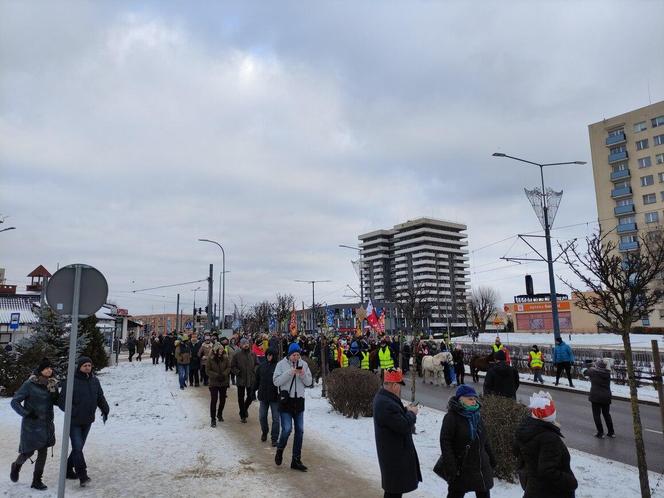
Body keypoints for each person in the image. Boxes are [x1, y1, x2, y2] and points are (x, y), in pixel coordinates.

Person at [513, 391, 578, 498]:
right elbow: (547, 470)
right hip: (551, 492)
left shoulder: (526, 430)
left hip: (533, 489)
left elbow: (518, 455)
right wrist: (570, 481)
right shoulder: (549, 438)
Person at [58, 356, 110, 488]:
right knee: (77, 447)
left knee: (78, 448)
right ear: (79, 367)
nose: (87, 367)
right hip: (74, 421)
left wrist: (105, 408)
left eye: (89, 365)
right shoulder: (70, 381)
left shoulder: (94, 381)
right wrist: (73, 411)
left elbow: (100, 397)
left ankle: (68, 470)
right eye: (84, 365)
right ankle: (82, 475)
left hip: (88, 420)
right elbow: (62, 402)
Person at [10, 358, 59, 491]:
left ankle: (37, 480)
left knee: (43, 453)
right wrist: (27, 413)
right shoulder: (30, 384)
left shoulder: (52, 384)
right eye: (46, 368)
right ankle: (16, 466)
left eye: (50, 368)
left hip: (46, 425)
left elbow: (56, 401)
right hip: (31, 425)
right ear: (40, 370)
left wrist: (57, 392)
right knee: (28, 452)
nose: (49, 370)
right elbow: (14, 402)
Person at [439, 385, 495, 498]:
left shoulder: (477, 415)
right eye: (470, 399)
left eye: (474, 398)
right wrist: (451, 466)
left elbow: (485, 439)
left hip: (480, 467)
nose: (474, 401)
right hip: (462, 467)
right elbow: (445, 443)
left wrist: (491, 458)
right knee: (456, 494)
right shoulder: (451, 417)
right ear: (460, 399)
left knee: (484, 494)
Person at [373, 368, 421, 498]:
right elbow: (403, 425)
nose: (400, 389)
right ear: (394, 385)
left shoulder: (384, 399)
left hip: (393, 454)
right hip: (394, 456)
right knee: (394, 491)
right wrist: (412, 413)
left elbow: (395, 417)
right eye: (399, 385)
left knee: (393, 490)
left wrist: (405, 410)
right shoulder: (386, 403)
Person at [273, 343, 312, 471]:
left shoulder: (304, 365)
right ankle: (280, 449)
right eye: (294, 355)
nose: (296, 357)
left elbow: (309, 382)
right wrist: (290, 372)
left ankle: (296, 459)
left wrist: (302, 374)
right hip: (286, 402)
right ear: (289, 355)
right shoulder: (281, 365)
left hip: (299, 401)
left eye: (298, 355)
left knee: (300, 431)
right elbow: (276, 381)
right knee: (287, 429)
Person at [254, 348, 281, 446]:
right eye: (267, 355)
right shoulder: (262, 366)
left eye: (271, 355)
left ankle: (274, 438)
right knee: (262, 416)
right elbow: (257, 380)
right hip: (263, 396)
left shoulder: (279, 367)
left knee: (276, 419)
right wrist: (253, 391)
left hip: (275, 397)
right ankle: (264, 431)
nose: (269, 357)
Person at [583, 359, 615, 438]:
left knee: (596, 415)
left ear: (597, 366)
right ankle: (611, 432)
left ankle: (600, 433)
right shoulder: (607, 373)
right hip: (606, 396)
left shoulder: (593, 372)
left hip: (596, 396)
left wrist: (586, 364)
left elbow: (584, 372)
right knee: (607, 414)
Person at [231, 338, 257, 423]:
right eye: (244, 343)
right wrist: (238, 372)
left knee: (250, 396)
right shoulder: (237, 354)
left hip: (251, 378)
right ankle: (243, 415)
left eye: (247, 343)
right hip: (241, 378)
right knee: (241, 397)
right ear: (241, 345)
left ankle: (244, 409)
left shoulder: (253, 354)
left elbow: (257, 364)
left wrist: (254, 371)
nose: (246, 345)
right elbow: (232, 366)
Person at [206, 343, 231, 427]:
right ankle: (213, 419)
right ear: (215, 350)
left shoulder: (225, 357)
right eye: (219, 349)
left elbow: (228, 367)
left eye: (222, 349)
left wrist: (224, 374)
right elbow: (208, 370)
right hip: (214, 382)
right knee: (214, 400)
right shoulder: (210, 358)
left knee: (223, 400)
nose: (221, 351)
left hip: (223, 381)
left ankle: (219, 414)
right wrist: (216, 375)